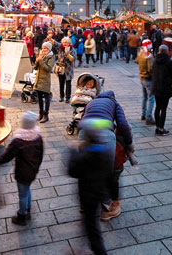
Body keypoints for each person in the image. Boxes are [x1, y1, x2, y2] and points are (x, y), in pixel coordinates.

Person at [81, 90, 133, 221]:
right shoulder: (114, 103)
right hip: (104, 134)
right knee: (107, 173)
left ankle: (85, 203)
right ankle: (107, 209)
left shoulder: (91, 102)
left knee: (88, 170)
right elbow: (123, 125)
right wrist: (130, 143)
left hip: (85, 132)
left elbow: (81, 120)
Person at [68, 118, 113, 255]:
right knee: (89, 222)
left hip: (87, 196)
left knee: (92, 227)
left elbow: (72, 171)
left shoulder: (84, 156)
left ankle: (99, 251)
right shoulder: (105, 153)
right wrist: (113, 196)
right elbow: (111, 177)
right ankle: (85, 247)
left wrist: (73, 152)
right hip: (98, 194)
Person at [0, 112, 44, 225]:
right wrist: (36, 166)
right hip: (33, 171)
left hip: (22, 173)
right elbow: (40, 154)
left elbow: (7, 156)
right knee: (27, 189)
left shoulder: (18, 141)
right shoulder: (38, 137)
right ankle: (28, 208)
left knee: (22, 194)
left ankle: (22, 216)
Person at [152, 44, 172, 135]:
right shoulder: (169, 61)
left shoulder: (155, 60)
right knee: (163, 108)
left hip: (156, 87)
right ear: (166, 51)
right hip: (165, 88)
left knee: (157, 107)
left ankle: (157, 127)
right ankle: (161, 128)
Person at [33, 42, 55, 123]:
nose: (43, 50)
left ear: (49, 49)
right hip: (38, 79)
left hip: (45, 80)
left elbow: (48, 69)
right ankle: (40, 113)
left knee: (46, 98)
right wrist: (37, 60)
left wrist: (41, 61)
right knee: (39, 98)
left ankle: (46, 115)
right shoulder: (41, 55)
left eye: (45, 48)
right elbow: (35, 67)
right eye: (42, 48)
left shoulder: (51, 56)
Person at [136, 39, 155, 125]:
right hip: (148, 79)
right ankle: (149, 117)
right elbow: (150, 69)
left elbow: (136, 61)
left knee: (144, 97)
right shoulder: (149, 56)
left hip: (142, 78)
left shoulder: (140, 54)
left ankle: (143, 114)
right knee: (151, 98)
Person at [56, 38, 75, 103]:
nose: (64, 44)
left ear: (69, 43)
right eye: (63, 42)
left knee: (68, 84)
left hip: (68, 69)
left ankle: (67, 97)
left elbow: (72, 59)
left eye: (66, 42)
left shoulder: (72, 49)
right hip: (61, 68)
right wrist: (50, 38)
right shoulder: (60, 48)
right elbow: (55, 44)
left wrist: (68, 54)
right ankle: (61, 96)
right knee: (61, 83)